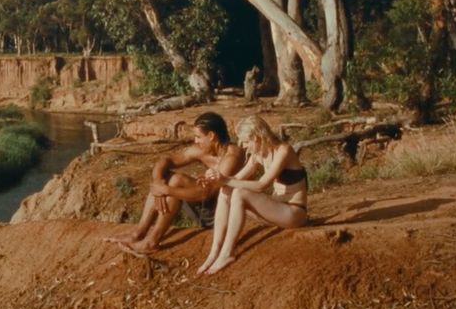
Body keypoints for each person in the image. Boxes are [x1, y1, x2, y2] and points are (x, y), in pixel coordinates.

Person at [111, 111, 243, 253]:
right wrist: (159, 182)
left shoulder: (231, 158)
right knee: (166, 178)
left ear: (211, 136)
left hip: (221, 214)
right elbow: (166, 160)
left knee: (176, 181)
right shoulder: (202, 151)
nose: (196, 141)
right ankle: (137, 234)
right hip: (203, 207)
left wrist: (166, 190)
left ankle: (151, 241)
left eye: (198, 137)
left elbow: (208, 193)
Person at [196, 114, 308, 275]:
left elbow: (262, 185)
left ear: (258, 137)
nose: (246, 147)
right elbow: (235, 179)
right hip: (276, 212)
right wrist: (215, 180)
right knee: (226, 191)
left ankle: (227, 253)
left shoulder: (284, 150)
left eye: (247, 142)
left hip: (294, 213)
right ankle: (215, 251)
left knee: (240, 193)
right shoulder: (257, 155)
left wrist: (225, 180)